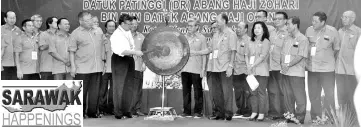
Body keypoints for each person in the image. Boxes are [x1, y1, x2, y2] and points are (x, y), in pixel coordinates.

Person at [69, 11, 106, 118]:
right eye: (87, 20)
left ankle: (93, 112)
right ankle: (80, 113)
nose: (91, 22)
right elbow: (71, 51)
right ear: (80, 21)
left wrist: (104, 63)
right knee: (81, 92)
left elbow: (103, 47)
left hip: (97, 66)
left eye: (91, 19)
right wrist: (73, 66)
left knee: (95, 92)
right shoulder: (75, 33)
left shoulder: (98, 30)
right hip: (82, 68)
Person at [305, 11, 340, 121]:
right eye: (312, 20)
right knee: (313, 95)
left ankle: (330, 118)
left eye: (315, 21)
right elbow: (306, 47)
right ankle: (316, 117)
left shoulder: (332, 31)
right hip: (312, 69)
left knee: (329, 95)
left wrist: (326, 59)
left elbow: (336, 49)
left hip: (327, 70)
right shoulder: (309, 30)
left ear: (323, 22)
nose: (313, 23)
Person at [110, 14, 143, 119]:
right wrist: (135, 52)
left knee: (129, 86)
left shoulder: (127, 32)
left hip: (129, 58)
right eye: (129, 24)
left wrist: (133, 52)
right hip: (120, 59)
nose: (131, 26)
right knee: (119, 86)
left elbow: (131, 45)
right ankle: (118, 112)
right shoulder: (116, 35)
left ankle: (127, 111)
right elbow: (121, 50)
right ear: (122, 23)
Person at [207, 14, 236, 121]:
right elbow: (211, 49)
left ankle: (228, 113)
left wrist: (231, 66)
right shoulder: (216, 34)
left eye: (218, 21)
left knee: (227, 91)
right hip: (214, 67)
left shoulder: (231, 34)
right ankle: (219, 113)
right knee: (216, 91)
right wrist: (194, 52)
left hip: (225, 67)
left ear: (224, 21)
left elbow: (233, 51)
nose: (216, 23)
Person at [281, 16, 308, 124]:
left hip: (296, 73)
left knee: (299, 96)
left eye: (288, 24)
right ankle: (290, 116)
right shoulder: (287, 38)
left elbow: (300, 56)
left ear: (295, 25)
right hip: (285, 72)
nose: (286, 26)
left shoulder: (302, 39)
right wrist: (283, 65)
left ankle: (300, 118)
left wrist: (288, 65)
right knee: (287, 96)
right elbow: (283, 53)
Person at [179, 16, 207, 118]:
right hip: (185, 68)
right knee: (186, 91)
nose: (189, 27)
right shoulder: (184, 38)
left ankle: (198, 111)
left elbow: (204, 54)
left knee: (197, 91)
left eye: (191, 26)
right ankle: (186, 111)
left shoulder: (202, 38)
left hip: (196, 68)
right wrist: (179, 68)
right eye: (188, 26)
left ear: (197, 27)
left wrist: (203, 69)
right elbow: (181, 53)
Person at [246, 21, 271, 122]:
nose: (256, 30)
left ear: (264, 30)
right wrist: (248, 66)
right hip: (251, 71)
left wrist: (252, 65)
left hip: (262, 70)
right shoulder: (250, 41)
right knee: (252, 92)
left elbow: (262, 56)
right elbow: (246, 55)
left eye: (259, 28)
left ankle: (261, 113)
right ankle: (254, 112)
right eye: (255, 28)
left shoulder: (266, 41)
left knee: (261, 92)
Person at [336, 10, 361, 110]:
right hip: (339, 70)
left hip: (352, 71)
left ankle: (354, 121)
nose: (343, 19)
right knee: (341, 97)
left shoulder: (358, 32)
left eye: (346, 17)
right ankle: (344, 119)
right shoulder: (339, 31)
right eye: (343, 17)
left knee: (352, 96)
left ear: (353, 19)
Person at [267, 11, 289, 120]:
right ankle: (275, 113)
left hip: (281, 67)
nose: (276, 21)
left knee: (283, 91)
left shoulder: (288, 33)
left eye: (279, 19)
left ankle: (286, 113)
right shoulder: (272, 32)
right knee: (272, 91)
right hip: (270, 66)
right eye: (275, 19)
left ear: (285, 20)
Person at [233, 21, 252, 117]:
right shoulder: (234, 40)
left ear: (245, 30)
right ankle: (240, 109)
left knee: (247, 91)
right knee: (237, 91)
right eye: (237, 27)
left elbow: (249, 56)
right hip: (235, 69)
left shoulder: (249, 40)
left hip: (245, 69)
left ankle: (248, 110)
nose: (237, 29)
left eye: (240, 27)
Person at [98, 20, 116, 116]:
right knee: (102, 90)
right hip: (104, 68)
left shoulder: (118, 38)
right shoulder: (101, 38)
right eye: (109, 26)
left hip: (115, 68)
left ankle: (111, 109)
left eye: (113, 26)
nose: (111, 28)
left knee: (114, 91)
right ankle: (101, 109)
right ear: (106, 28)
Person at [130, 16, 147, 117]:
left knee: (138, 89)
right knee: (129, 90)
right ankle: (129, 110)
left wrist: (144, 63)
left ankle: (137, 109)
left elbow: (145, 51)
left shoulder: (141, 36)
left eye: (136, 24)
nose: (134, 26)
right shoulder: (124, 36)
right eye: (132, 24)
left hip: (138, 66)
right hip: (127, 67)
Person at [1, 11, 22, 80]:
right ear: (5, 19)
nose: (12, 20)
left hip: (16, 65)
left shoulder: (18, 31)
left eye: (14, 18)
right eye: (10, 18)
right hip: (3, 65)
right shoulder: (1, 30)